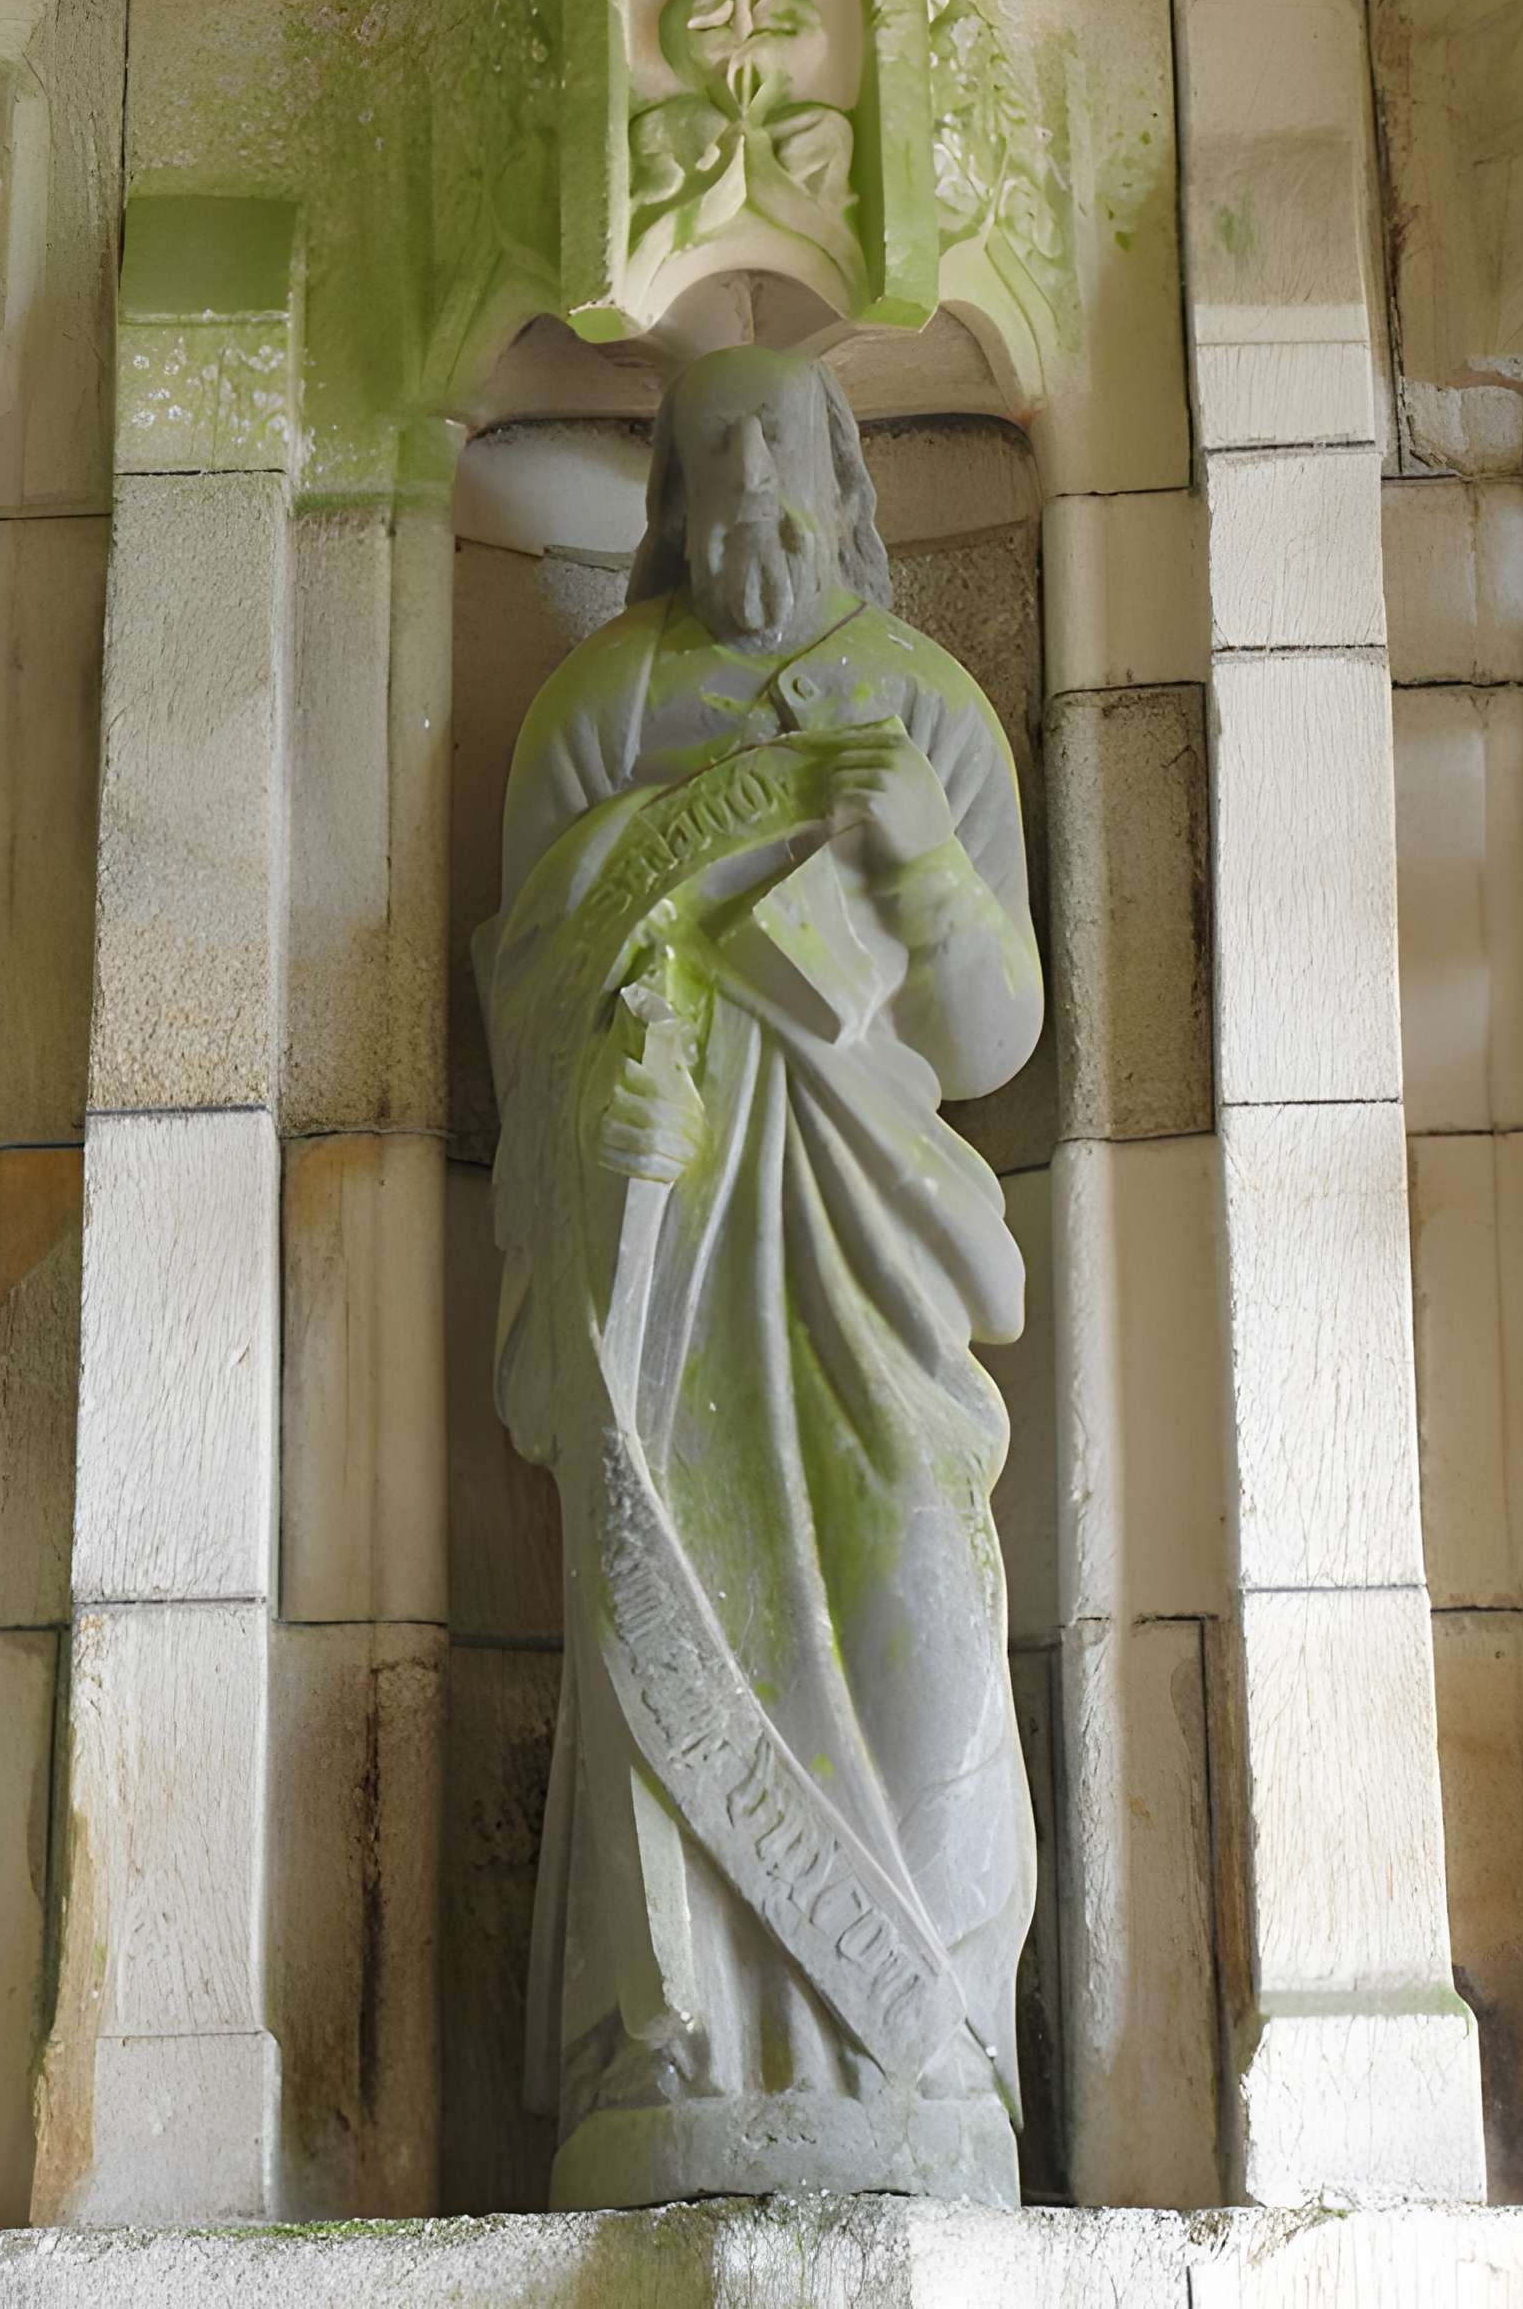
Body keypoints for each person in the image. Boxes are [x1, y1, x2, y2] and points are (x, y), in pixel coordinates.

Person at [477, 345, 1043, 2208]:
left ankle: (930, 2038)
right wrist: (599, 1112)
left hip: (871, 1270)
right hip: (665, 1279)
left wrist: (928, 871)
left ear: (842, 477)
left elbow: (992, 1037)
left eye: (779, 457)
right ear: (667, 499)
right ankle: (683, 2045)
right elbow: (529, 1016)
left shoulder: (927, 711)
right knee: (670, 1633)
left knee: (922, 1641)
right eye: (711, 465)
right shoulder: (597, 714)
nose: (751, 505)